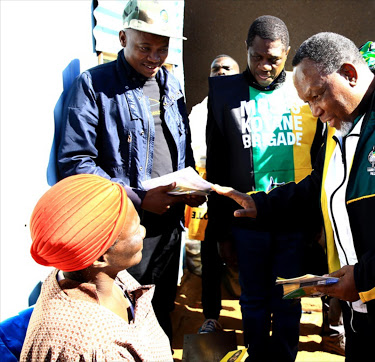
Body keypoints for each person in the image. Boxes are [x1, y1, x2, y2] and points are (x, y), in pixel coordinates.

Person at [212, 32, 375, 362]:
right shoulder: (339, 124)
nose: (314, 111)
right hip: (359, 305)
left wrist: (365, 277)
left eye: (317, 96)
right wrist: (262, 205)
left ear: (349, 74)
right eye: (307, 102)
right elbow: (318, 187)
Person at [56, 0, 205, 345]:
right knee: (125, 312)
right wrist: (138, 199)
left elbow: (179, 146)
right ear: (122, 38)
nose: (155, 57)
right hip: (122, 229)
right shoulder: (93, 86)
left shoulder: (172, 84)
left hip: (169, 224)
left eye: (163, 48)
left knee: (161, 305)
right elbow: (76, 164)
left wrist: (192, 183)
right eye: (145, 48)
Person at [205, 15, 324, 361]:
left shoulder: (305, 91)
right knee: (253, 302)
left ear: (286, 53)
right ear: (247, 50)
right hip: (246, 223)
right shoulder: (224, 93)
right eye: (257, 57)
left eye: (273, 58)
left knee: (290, 300)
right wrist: (222, 231)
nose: (264, 66)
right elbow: (217, 166)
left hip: (295, 222)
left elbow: (321, 157)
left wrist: (317, 220)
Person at [20, 174, 174, 361]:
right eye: (135, 230)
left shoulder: (108, 276)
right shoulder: (96, 347)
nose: (143, 232)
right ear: (101, 257)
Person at [187, 54, 240, 334]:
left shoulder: (246, 106)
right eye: (215, 68)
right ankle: (211, 316)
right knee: (210, 256)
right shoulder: (198, 111)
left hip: (238, 196)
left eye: (226, 68)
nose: (220, 72)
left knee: (241, 258)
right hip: (207, 195)